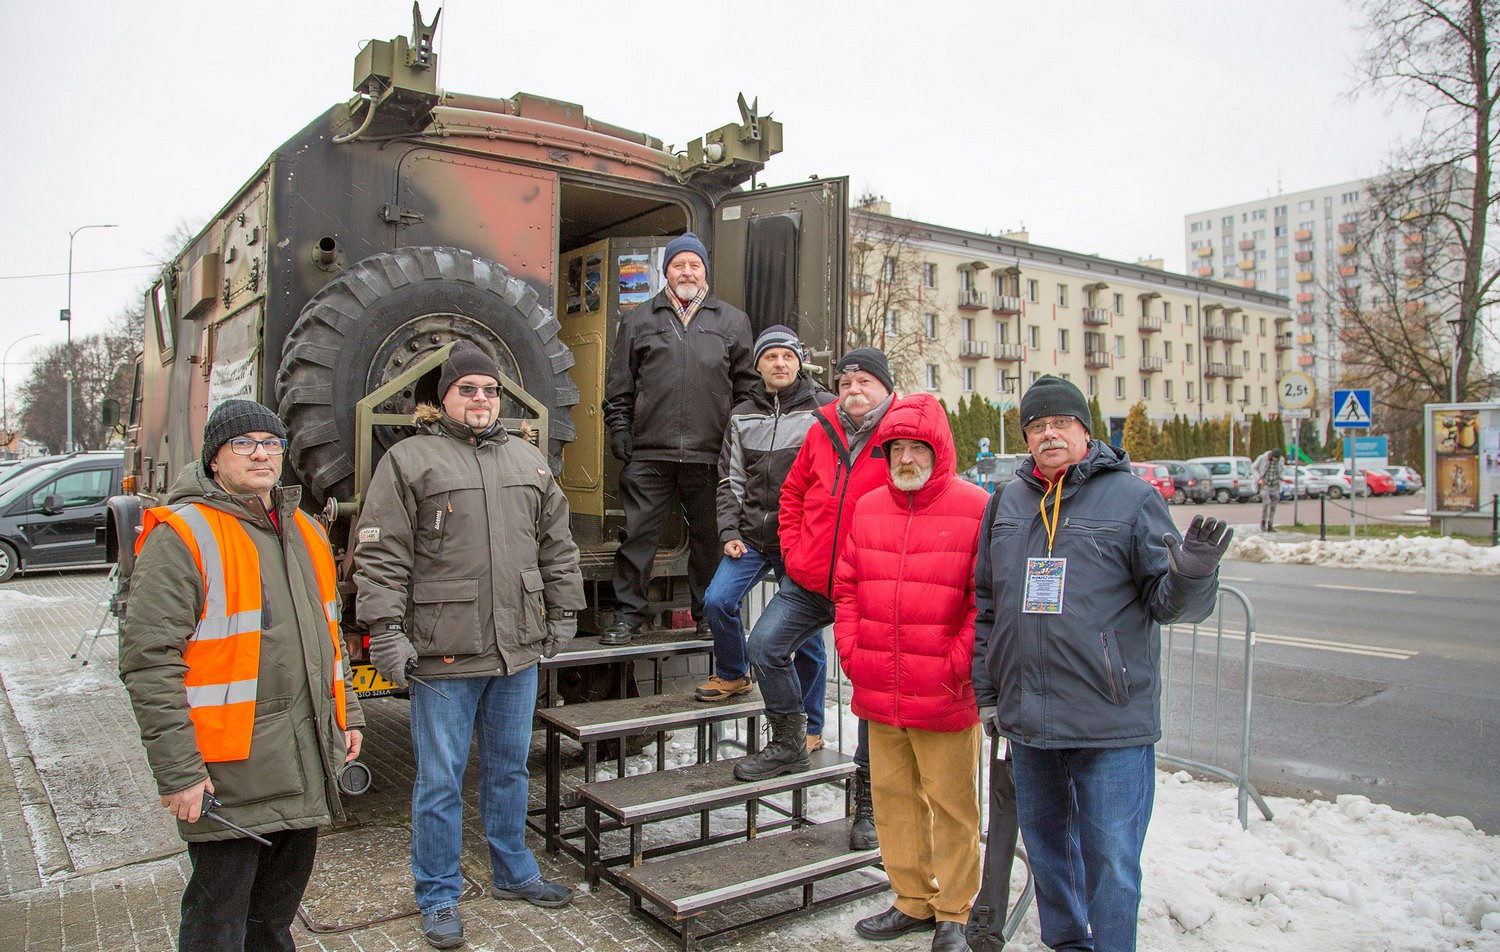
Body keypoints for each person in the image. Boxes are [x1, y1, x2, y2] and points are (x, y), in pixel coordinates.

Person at [972, 375, 1232, 952]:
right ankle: (1067, 943)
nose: (1049, 434)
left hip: (1109, 718)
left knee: (1111, 857)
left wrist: (1193, 576)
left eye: (1061, 423)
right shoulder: (1007, 502)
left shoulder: (1133, 499)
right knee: (1048, 851)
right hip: (1029, 719)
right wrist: (989, 693)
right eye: (1037, 426)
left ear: (1086, 431)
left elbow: (1168, 604)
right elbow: (986, 604)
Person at [353, 341, 585, 949]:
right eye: (468, 389)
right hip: (443, 653)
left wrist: (564, 612)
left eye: (490, 390)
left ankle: (514, 872)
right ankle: (437, 894)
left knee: (509, 769)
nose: (481, 399)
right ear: (444, 397)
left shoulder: (529, 461)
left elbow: (557, 546)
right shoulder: (409, 460)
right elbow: (380, 557)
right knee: (440, 781)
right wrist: (385, 631)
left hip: (516, 650)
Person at [119, 399, 364, 952]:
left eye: (271, 443)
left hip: (302, 762)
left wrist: (348, 715)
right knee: (217, 926)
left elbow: (329, 640)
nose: (261, 454)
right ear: (214, 458)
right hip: (227, 776)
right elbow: (149, 663)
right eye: (244, 443)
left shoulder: (304, 530)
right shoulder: (181, 536)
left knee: (272, 923)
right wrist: (179, 772)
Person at [833, 393, 989, 952]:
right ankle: (911, 899)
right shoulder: (869, 505)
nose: (905, 458)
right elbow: (847, 587)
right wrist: (852, 651)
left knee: (953, 805)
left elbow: (985, 600)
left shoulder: (976, 507)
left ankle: (955, 910)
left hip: (945, 690)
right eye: (896, 447)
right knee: (894, 799)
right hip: (880, 683)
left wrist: (957, 663)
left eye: (917, 447)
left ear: (939, 449)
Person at [734, 346, 896, 853]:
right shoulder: (822, 429)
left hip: (869, 583)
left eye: (865, 382)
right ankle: (789, 742)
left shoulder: (899, 435)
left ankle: (870, 801)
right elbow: (792, 493)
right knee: (764, 645)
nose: (853, 390)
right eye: (846, 382)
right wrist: (794, 548)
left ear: (886, 388)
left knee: (869, 687)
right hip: (811, 578)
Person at [601, 232, 757, 645]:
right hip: (649, 451)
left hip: (711, 452)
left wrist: (738, 443)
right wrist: (620, 428)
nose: (687, 272)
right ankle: (628, 616)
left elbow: (746, 390)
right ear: (665, 271)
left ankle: (709, 615)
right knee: (637, 537)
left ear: (705, 271)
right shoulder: (638, 320)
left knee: (709, 539)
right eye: (678, 264)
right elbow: (619, 386)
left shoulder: (733, 321)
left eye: (694, 264)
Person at [697, 326, 833, 752]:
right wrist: (729, 531)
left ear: (799, 362)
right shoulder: (741, 414)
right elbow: (730, 479)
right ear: (758, 365)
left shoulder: (824, 409)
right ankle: (734, 673)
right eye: (771, 357)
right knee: (717, 600)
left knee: (806, 638)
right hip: (753, 537)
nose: (780, 363)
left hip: (800, 541)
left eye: (787, 356)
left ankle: (811, 726)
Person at [1252, 448, 1285, 532]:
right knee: (1266, 503)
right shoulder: (1263, 458)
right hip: (1265, 484)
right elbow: (1254, 467)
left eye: (1277, 458)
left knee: (1274, 505)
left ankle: (1270, 524)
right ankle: (1263, 523)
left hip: (1275, 485)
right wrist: (1259, 479)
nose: (1276, 460)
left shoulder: (1281, 460)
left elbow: (1282, 470)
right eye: (1275, 458)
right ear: (1272, 456)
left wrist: (1281, 479)